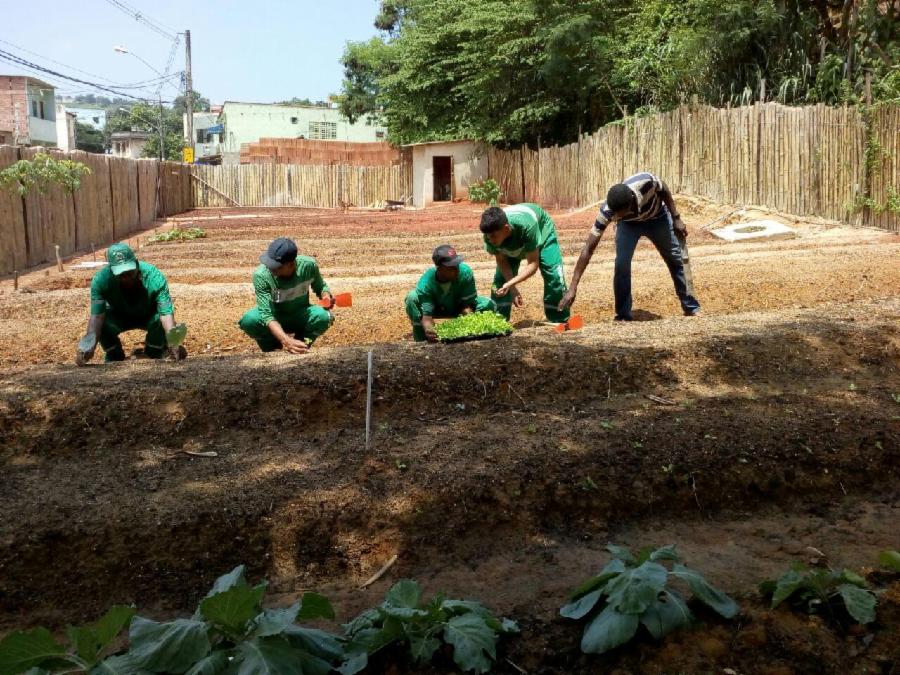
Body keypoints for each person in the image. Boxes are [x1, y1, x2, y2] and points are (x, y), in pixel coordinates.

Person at [559, 172, 701, 320]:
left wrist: (676, 217)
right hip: (629, 225)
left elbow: (663, 188)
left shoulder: (645, 183)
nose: (615, 217)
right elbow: (588, 248)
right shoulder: (608, 211)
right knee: (621, 264)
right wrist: (573, 287)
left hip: (658, 218)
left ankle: (691, 307)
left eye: (619, 214)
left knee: (675, 258)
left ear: (630, 203)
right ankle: (623, 314)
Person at [75, 242, 186, 365]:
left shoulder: (155, 277)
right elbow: (97, 317)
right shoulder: (101, 281)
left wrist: (173, 342)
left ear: (137, 265)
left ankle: (154, 352)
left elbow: (166, 314)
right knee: (103, 324)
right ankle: (114, 355)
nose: (127, 278)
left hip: (148, 316)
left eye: (130, 272)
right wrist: (88, 345)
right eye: (121, 275)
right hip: (119, 317)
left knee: (159, 321)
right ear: (111, 271)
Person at [238, 237, 334, 354]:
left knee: (324, 317)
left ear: (291, 264)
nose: (270, 268)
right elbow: (267, 315)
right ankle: (271, 349)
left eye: (276, 266)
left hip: (300, 313)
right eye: (269, 263)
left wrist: (326, 297)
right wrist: (286, 340)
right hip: (275, 315)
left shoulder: (309, 266)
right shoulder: (261, 275)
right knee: (249, 320)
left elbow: (321, 287)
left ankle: (302, 345)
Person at [479, 203, 570, 324]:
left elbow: (533, 264)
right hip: (511, 240)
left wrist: (510, 283)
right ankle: (498, 321)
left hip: (542, 230)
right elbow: (501, 260)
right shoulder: (490, 235)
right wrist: (512, 288)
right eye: (488, 237)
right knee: (501, 281)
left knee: (553, 275)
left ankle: (558, 318)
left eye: (493, 236)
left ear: (506, 228)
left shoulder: (527, 227)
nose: (490, 240)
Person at [405, 244, 496, 342]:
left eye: (456, 264)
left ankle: (477, 336)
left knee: (488, 304)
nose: (456, 269)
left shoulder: (465, 272)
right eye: (451, 267)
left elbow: (467, 305)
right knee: (412, 298)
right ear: (439, 268)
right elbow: (427, 316)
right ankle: (421, 340)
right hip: (436, 309)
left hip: (458, 307)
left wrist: (471, 321)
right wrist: (429, 329)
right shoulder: (426, 283)